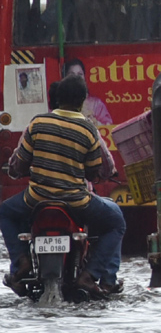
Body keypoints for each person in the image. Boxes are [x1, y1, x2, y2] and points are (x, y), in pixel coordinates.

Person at [1, 74, 126, 295]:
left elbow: (20, 164)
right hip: (77, 202)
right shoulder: (87, 129)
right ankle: (90, 275)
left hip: (36, 199)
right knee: (116, 222)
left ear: (58, 98)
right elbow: (94, 170)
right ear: (82, 100)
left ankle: (21, 262)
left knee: (4, 212)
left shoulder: (38, 123)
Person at [62, 58, 113, 126]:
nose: (76, 78)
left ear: (84, 77)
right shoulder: (60, 102)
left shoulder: (96, 103)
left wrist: (95, 122)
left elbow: (109, 127)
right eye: (72, 74)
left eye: (80, 74)